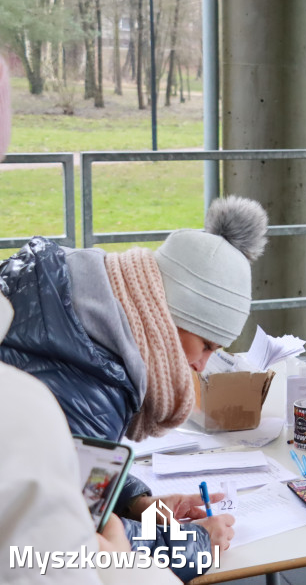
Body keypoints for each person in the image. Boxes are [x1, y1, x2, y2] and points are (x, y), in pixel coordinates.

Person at [0, 195, 267, 581]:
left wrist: (136, 501)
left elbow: (68, 460)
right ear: (168, 314)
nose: (201, 365)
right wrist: (194, 543)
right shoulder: (88, 385)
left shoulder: (70, 317)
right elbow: (73, 545)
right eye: (206, 345)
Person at [0, 57, 178, 584]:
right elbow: (53, 560)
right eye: (207, 344)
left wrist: (145, 501)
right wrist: (134, 561)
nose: (203, 364)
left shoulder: (67, 363)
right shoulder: (23, 414)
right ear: (165, 322)